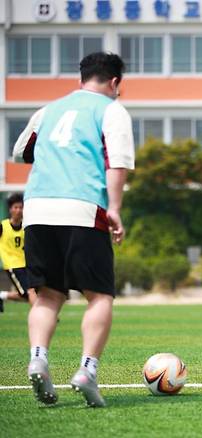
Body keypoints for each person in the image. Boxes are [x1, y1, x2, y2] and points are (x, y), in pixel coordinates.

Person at [13, 52, 134, 407]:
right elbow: (118, 163)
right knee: (100, 296)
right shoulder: (111, 110)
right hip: (82, 207)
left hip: (37, 208)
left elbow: (22, 152)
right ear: (114, 83)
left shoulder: (48, 110)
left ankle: (38, 358)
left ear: (82, 78)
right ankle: (87, 370)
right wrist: (114, 209)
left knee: (48, 295)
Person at [0, 193, 37, 312]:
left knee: (29, 294)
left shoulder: (26, 226)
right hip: (13, 266)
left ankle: (2, 295)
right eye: (16, 207)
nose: (19, 210)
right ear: (10, 209)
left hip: (26, 264)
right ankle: (42, 315)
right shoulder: (3, 226)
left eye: (21, 207)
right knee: (29, 292)